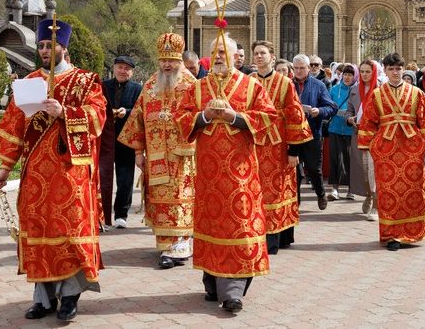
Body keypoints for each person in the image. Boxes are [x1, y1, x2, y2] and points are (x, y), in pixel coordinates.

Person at [0, 19, 106, 321]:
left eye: (49, 45)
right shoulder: (28, 83)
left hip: (70, 174)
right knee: (38, 232)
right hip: (35, 174)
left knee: (67, 234)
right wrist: (5, 167)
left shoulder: (85, 80)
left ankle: (69, 297)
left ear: (63, 48)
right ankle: (42, 298)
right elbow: (15, 126)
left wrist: (65, 112)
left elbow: (97, 118)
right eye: (40, 45)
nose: (44, 50)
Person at [177, 32, 276, 314]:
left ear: (234, 55)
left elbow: (268, 117)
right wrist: (205, 116)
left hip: (241, 174)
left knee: (239, 226)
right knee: (211, 226)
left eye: (224, 51)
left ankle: (232, 292)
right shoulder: (198, 88)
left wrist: (235, 117)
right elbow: (181, 118)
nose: (219, 56)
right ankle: (212, 281)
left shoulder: (251, 85)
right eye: (215, 51)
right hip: (208, 175)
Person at [118, 33, 197, 269]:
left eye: (171, 60)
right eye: (163, 60)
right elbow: (137, 120)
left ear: (179, 60)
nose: (167, 65)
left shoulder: (192, 85)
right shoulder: (151, 85)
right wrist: (137, 153)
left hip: (182, 157)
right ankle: (165, 247)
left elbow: (200, 119)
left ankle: (180, 247)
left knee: (180, 201)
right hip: (154, 157)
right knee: (160, 203)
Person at [357, 52, 425, 251]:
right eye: (391, 69)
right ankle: (392, 235)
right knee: (388, 193)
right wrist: (369, 145)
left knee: (413, 190)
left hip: (412, 149)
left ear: (404, 69)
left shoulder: (416, 92)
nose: (395, 72)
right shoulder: (377, 94)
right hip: (386, 150)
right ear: (385, 70)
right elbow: (368, 122)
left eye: (398, 68)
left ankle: (412, 233)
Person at [250, 40, 312, 254]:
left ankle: (276, 237)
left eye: (263, 53)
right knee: (256, 190)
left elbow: (295, 114)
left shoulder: (285, 83)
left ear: (272, 57)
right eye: (256, 53)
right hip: (255, 145)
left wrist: (294, 149)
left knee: (277, 190)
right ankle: (257, 233)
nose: (259, 56)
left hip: (278, 144)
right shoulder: (248, 81)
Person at [99, 55, 142, 229]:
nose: (122, 71)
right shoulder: (103, 86)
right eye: (120, 67)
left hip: (127, 138)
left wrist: (128, 111)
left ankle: (121, 214)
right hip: (106, 138)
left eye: (127, 69)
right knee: (103, 177)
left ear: (132, 72)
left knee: (125, 178)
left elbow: (140, 110)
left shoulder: (137, 88)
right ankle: (102, 213)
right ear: (114, 68)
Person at [291, 54, 335, 207]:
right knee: (294, 170)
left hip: (312, 133)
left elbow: (331, 107)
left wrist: (319, 111)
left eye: (302, 68)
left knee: (313, 168)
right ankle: (295, 202)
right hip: (292, 134)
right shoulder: (288, 84)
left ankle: (321, 194)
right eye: (296, 68)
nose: (299, 71)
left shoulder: (318, 85)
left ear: (308, 68)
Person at [352, 60, 379, 219]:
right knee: (363, 169)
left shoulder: (380, 90)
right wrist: (350, 118)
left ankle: (376, 204)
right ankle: (368, 194)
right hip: (358, 133)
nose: (364, 74)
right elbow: (350, 109)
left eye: (368, 71)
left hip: (375, 136)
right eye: (362, 71)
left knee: (372, 169)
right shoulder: (355, 90)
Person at [326, 63, 358, 201]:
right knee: (335, 158)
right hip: (335, 128)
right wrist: (334, 111)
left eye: (350, 74)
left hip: (352, 130)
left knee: (350, 159)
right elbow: (328, 105)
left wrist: (352, 115)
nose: (347, 77)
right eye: (345, 74)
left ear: (354, 76)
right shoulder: (334, 89)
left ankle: (351, 189)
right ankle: (335, 188)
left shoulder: (357, 91)